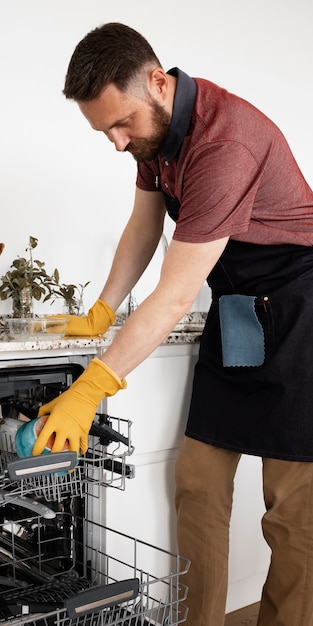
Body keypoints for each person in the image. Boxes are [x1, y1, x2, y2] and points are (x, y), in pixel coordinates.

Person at [32, 22, 313, 626]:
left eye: (120, 123)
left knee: (293, 511)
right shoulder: (153, 139)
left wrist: (91, 387)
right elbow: (144, 226)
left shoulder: (224, 142)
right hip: (241, 305)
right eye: (103, 129)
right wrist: (101, 309)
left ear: (158, 83)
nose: (114, 140)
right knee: (198, 484)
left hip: (301, 307)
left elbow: (176, 293)